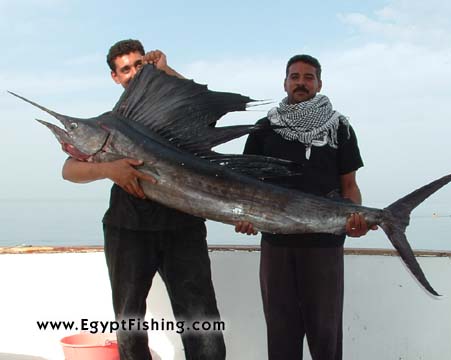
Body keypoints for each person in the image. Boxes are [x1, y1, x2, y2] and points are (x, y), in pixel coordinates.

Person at [62, 39, 226, 360]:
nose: (134, 73)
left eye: (139, 65)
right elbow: (70, 169)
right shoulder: (108, 124)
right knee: (129, 319)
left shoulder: (176, 111)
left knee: (200, 317)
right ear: (115, 78)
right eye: (126, 69)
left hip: (183, 226)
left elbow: (205, 109)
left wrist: (166, 72)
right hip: (128, 227)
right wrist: (112, 170)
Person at [235, 54, 376, 360]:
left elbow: (349, 186)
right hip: (276, 244)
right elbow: (246, 188)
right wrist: (246, 217)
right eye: (295, 76)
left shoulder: (340, 128)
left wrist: (355, 222)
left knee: (325, 335)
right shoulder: (263, 129)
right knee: (280, 334)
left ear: (319, 83)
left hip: (324, 245)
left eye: (308, 77)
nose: (301, 82)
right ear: (285, 82)